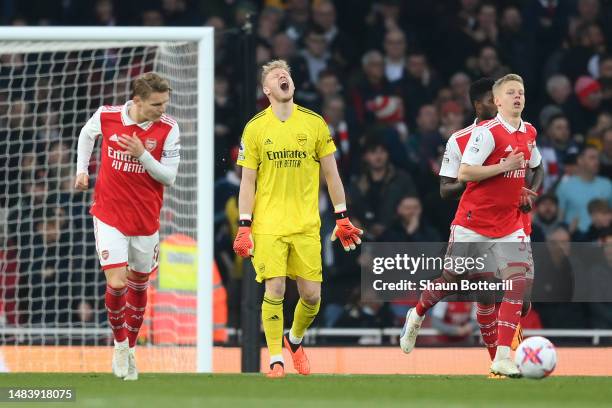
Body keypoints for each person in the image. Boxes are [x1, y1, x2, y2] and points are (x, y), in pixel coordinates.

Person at [402, 74, 542, 378]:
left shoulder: (528, 131)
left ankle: (501, 358)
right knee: (456, 282)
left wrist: (528, 190)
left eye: (519, 93)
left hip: (510, 223)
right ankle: (417, 314)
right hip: (473, 221)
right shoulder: (467, 137)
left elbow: (536, 166)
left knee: (518, 289)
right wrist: (498, 172)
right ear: (485, 101)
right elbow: (453, 182)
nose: (505, 100)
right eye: (501, 96)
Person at [232, 59, 362, 378]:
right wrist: (244, 225)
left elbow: (331, 174)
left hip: (306, 224)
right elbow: (247, 182)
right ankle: (275, 359)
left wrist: (341, 216)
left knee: (312, 296)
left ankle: (295, 339)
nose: (283, 77)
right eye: (276, 76)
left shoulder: (314, 123)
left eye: (286, 74)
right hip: (268, 225)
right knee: (274, 289)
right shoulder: (255, 128)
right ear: (267, 90)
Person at [74, 72, 180, 381]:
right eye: (156, 104)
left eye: (164, 103)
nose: (162, 109)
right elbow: (86, 133)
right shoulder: (108, 116)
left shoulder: (168, 129)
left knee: (139, 284)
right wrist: (82, 170)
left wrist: (143, 154)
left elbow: (169, 177)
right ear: (137, 101)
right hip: (109, 215)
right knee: (117, 283)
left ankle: (131, 350)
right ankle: (120, 344)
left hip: (146, 220)